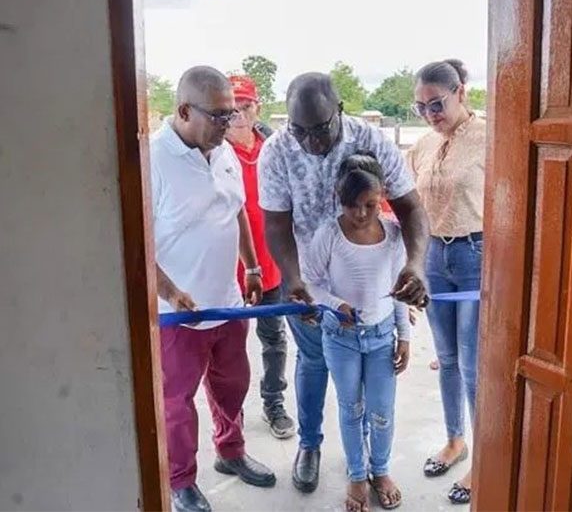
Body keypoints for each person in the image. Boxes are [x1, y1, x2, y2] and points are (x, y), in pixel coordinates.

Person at [258, 72, 430, 494]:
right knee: (313, 363)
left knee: (375, 391)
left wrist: (416, 264)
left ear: (339, 111)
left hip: (368, 285)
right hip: (310, 282)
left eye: (319, 129)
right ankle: (310, 445)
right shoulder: (277, 151)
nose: (309, 141)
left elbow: (411, 208)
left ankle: (376, 463)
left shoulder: (371, 141)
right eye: (298, 129)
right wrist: (294, 279)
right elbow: (276, 224)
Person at [151, 66, 276, 512]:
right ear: (184, 110)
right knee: (176, 402)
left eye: (234, 114)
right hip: (179, 314)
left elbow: (236, 209)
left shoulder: (219, 150)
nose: (230, 125)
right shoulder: (153, 160)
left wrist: (254, 267)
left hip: (229, 301)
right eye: (220, 116)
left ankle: (231, 451)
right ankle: (181, 479)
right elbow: (134, 239)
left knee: (233, 385)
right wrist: (170, 291)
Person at [305, 152, 410, 511]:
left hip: (382, 338)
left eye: (370, 204)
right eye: (352, 205)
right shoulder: (329, 234)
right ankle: (355, 472)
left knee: (382, 410)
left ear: (382, 196)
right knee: (351, 409)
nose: (361, 213)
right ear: (339, 198)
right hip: (341, 339)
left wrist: (405, 337)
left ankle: (379, 470)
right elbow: (312, 283)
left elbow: (398, 290)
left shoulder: (394, 236)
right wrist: (335, 305)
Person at [406, 59, 486, 506]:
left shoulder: (491, 138)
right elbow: (407, 204)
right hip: (433, 256)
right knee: (447, 358)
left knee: (473, 365)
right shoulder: (421, 145)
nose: (430, 114)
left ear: (461, 92)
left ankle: (484, 457)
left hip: (475, 255)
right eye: (420, 107)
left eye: (437, 103)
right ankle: (456, 441)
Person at [225, 75, 296, 439]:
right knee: (229, 350)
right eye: (232, 107)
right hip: (227, 272)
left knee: (274, 340)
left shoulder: (273, 148)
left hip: (270, 267)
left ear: (258, 107)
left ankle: (274, 403)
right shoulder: (213, 152)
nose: (238, 114)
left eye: (246, 105)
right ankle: (229, 419)